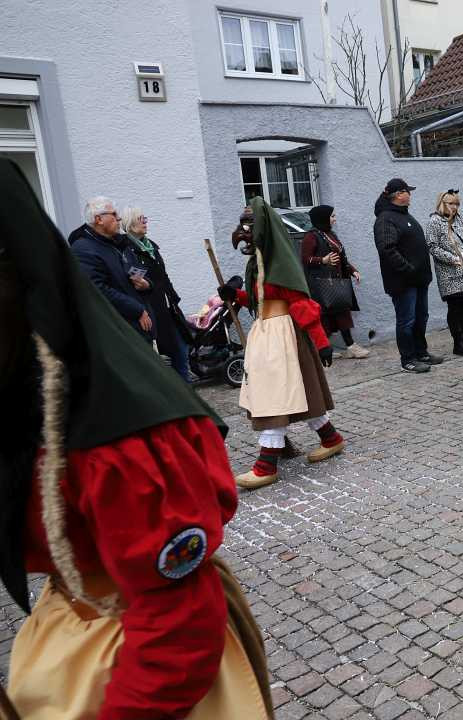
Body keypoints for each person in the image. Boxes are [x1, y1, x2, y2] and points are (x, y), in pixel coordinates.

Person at [0, 159, 274, 718]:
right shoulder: (23, 381)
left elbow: (176, 625)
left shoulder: (118, 438)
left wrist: (163, 307)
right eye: (121, 217)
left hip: (135, 653)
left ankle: (278, 445)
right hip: (68, 629)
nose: (128, 223)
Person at [218, 199, 344, 489]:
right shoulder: (257, 262)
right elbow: (260, 299)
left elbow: (301, 304)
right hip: (265, 334)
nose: (243, 232)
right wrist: (235, 294)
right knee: (295, 393)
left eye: (249, 226)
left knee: (274, 395)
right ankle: (330, 438)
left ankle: (267, 465)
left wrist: (322, 342)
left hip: (284, 337)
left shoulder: (280, 263)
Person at [373, 178, 442, 372]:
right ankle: (408, 359)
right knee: (407, 320)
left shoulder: (405, 215)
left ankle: (422, 353)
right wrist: (407, 268)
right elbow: (387, 249)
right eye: (406, 191)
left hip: (419, 280)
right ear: (398, 194)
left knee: (421, 317)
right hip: (403, 282)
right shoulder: (386, 218)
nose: (409, 195)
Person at [121, 206, 193, 380]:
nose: (145, 222)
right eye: (141, 219)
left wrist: (173, 297)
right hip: (151, 310)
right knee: (167, 359)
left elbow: (163, 276)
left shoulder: (150, 246)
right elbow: (136, 280)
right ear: (130, 224)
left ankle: (187, 395)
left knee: (182, 353)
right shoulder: (127, 250)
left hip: (168, 309)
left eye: (145, 218)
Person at [69, 196, 153, 343]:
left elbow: (139, 270)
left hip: (138, 327)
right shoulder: (83, 249)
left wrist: (147, 284)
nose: (119, 218)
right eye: (113, 214)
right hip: (120, 332)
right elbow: (98, 289)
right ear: (99, 219)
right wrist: (136, 309)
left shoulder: (119, 243)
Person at [301, 205, 368, 359]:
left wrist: (353, 271)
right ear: (322, 218)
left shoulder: (331, 234)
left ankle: (350, 346)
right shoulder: (311, 237)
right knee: (325, 317)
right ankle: (323, 349)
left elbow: (342, 258)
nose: (334, 219)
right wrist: (322, 260)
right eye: (332, 216)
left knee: (342, 313)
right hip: (321, 285)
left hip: (336, 283)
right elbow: (305, 259)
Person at [426, 190, 463, 356]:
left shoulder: (459, 219)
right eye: (451, 203)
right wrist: (454, 258)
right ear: (443, 203)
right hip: (449, 273)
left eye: (457, 204)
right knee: (455, 307)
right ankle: (458, 342)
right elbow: (432, 246)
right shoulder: (434, 221)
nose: (455, 207)